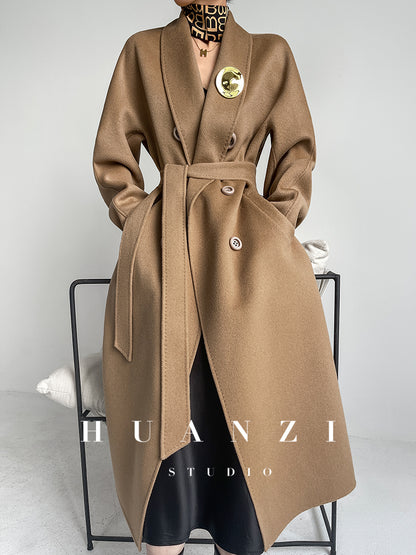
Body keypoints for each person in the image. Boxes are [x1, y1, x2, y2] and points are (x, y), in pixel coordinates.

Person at [92, 1, 357, 554]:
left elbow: (296, 152)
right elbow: (114, 157)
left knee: (247, 392)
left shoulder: (269, 53)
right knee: (171, 393)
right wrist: (141, 222)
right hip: (167, 244)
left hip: (244, 250)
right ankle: (166, 531)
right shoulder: (142, 50)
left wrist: (273, 229)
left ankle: (239, 529)